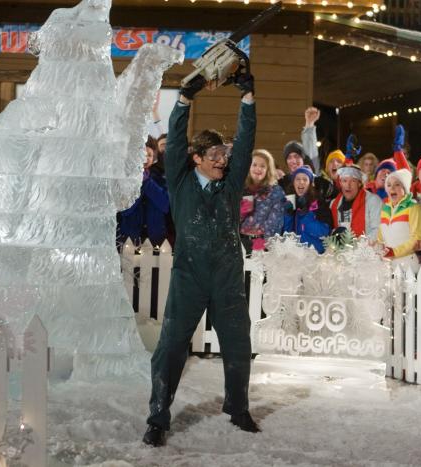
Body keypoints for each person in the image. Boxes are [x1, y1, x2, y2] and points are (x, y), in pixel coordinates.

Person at [143, 68, 258, 447]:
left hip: (226, 277)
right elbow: (174, 141)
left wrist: (247, 100)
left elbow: (245, 144)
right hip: (189, 277)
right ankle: (158, 417)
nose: (223, 159)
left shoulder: (230, 182)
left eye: (223, 153)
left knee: (239, 345)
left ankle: (238, 408)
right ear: (196, 158)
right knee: (171, 347)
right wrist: (183, 100)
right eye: (214, 154)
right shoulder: (179, 179)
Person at [117, 136, 170, 247]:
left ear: (154, 157)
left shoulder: (160, 177)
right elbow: (125, 209)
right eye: (142, 155)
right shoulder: (125, 178)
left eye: (149, 155)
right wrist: (138, 183)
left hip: (156, 239)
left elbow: (165, 205)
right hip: (129, 239)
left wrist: (146, 182)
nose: (145, 159)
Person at [377, 169, 421, 273]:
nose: (392, 188)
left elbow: (417, 239)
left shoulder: (413, 207)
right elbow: (381, 239)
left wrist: (394, 252)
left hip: (409, 267)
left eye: (397, 184)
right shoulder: (385, 209)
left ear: (405, 188)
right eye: (389, 185)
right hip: (388, 267)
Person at [240, 149, 285, 252]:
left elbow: (275, 223)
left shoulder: (275, 191)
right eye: (254, 165)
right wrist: (241, 213)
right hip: (239, 243)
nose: (258, 169)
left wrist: (261, 243)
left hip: (262, 245)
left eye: (262, 166)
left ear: (268, 169)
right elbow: (230, 220)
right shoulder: (240, 189)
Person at [283, 165, 330, 254]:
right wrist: (288, 216)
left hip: (315, 255)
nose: (301, 182)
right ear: (293, 183)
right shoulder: (291, 202)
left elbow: (325, 232)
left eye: (305, 179)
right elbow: (288, 236)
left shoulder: (319, 203)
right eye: (298, 179)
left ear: (310, 183)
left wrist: (306, 215)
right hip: (298, 256)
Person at [330, 165, 382, 240]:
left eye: (353, 181)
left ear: (359, 183)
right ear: (340, 183)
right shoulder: (334, 204)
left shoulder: (373, 201)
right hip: (342, 250)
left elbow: (378, 230)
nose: (348, 185)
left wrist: (357, 246)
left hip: (366, 249)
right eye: (344, 181)